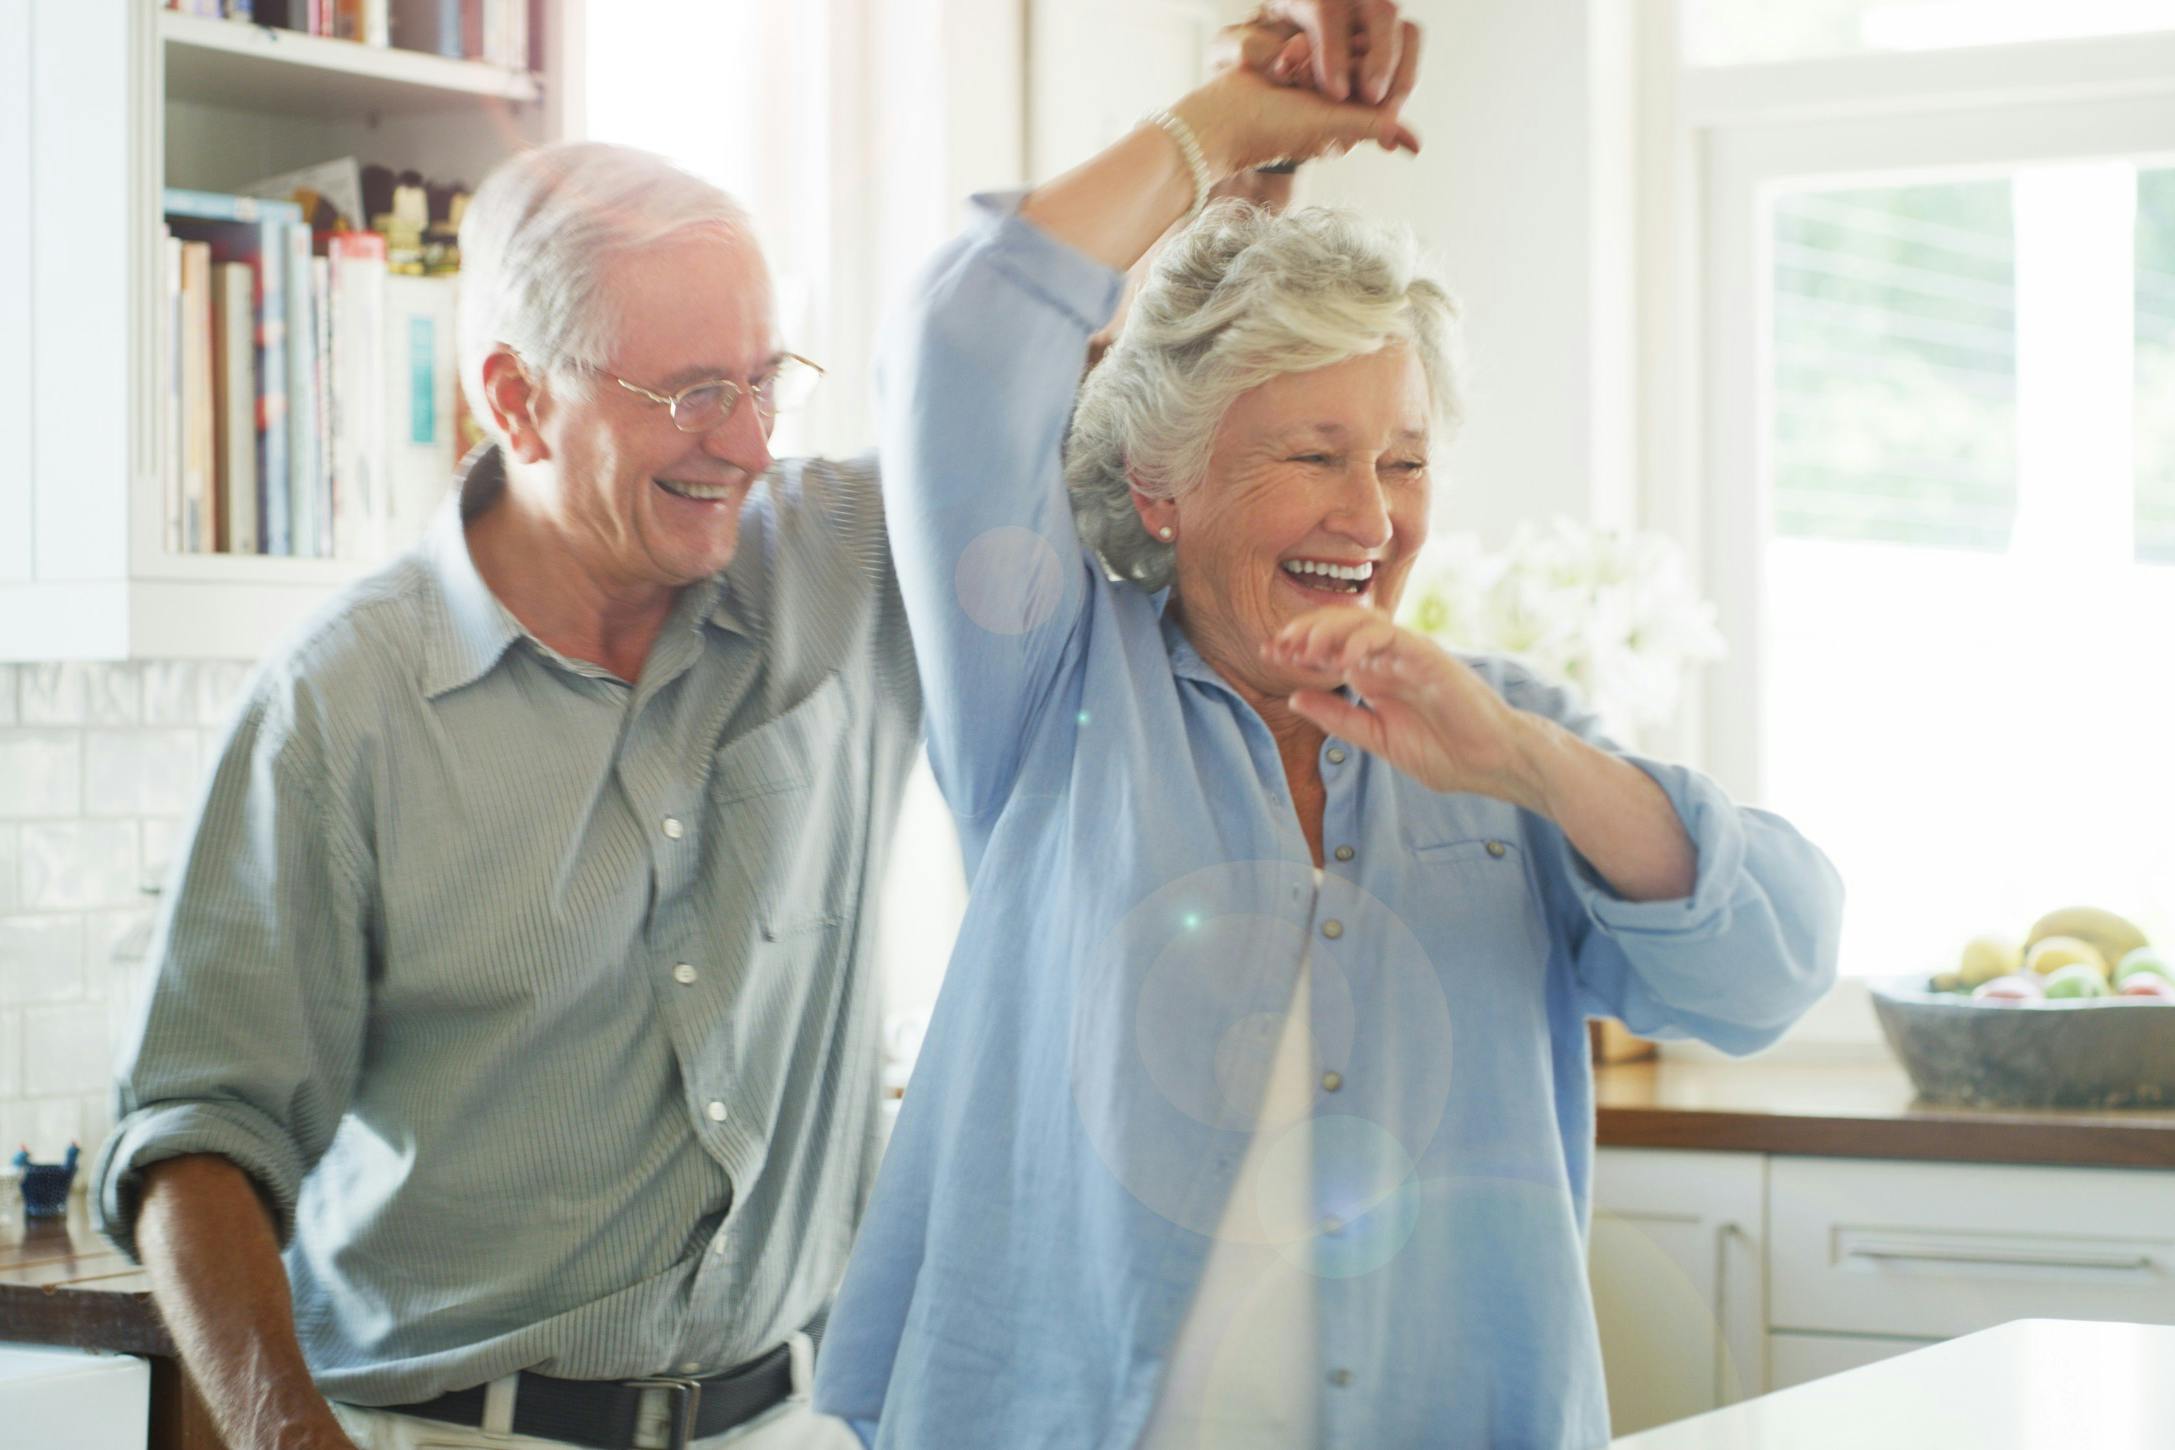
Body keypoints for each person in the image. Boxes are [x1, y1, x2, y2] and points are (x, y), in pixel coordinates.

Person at [812, 43, 1845, 1450]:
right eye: (1314, 452)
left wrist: (1532, 764)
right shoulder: (1057, 686)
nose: (1372, 513)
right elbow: (964, 342)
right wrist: (1218, 125)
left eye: (1405, 459)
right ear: (1161, 487)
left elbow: (1775, 961)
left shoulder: (1500, 732)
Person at [94, 143, 916, 1450]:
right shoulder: (342, 703)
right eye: (700, 393)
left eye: (765, 381)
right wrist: (281, 1430)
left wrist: (1232, 137)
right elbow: (198, 1130)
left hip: (795, 1419)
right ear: (518, 401)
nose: (753, 443)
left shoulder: (843, 564)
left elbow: (1035, 374)